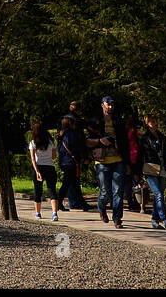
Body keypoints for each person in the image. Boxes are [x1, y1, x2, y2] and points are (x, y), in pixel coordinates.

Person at [87, 96, 129, 228]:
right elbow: (87, 141)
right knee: (105, 191)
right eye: (108, 104)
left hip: (118, 160)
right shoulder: (95, 121)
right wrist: (100, 141)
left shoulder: (118, 121)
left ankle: (117, 219)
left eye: (112, 104)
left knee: (118, 191)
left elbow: (125, 143)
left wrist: (128, 163)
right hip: (102, 161)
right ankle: (101, 207)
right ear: (102, 105)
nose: (110, 106)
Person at [139, 113, 166, 230]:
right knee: (159, 194)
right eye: (152, 121)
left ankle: (154, 220)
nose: (155, 124)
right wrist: (137, 171)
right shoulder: (144, 138)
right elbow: (140, 155)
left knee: (159, 195)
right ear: (147, 123)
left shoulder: (161, 137)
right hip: (151, 169)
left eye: (156, 121)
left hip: (163, 168)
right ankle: (164, 218)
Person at [28, 118, 60, 221]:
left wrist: (37, 171)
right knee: (52, 190)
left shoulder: (33, 143)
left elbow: (33, 159)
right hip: (50, 167)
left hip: (39, 167)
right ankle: (54, 213)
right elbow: (54, 157)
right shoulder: (51, 142)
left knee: (38, 191)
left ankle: (38, 213)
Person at [57, 115, 87, 210]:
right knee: (69, 183)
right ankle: (59, 201)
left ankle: (82, 203)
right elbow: (74, 147)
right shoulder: (70, 134)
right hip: (71, 162)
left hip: (64, 161)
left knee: (72, 183)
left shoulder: (61, 134)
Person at [124, 112, 143, 212]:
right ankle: (135, 202)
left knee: (128, 183)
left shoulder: (125, 131)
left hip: (128, 158)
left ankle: (131, 202)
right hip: (134, 158)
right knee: (135, 181)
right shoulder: (135, 132)